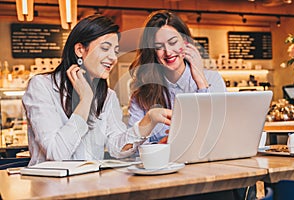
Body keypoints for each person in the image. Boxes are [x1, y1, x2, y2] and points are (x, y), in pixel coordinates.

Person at [22, 14, 171, 166]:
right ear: (80, 50)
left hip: (92, 185)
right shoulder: (41, 86)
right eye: (105, 48)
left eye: (115, 51)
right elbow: (57, 153)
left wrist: (149, 120)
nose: (113, 58)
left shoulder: (107, 96)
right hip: (50, 187)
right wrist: (85, 101)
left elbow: (117, 149)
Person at [128, 10, 226, 144]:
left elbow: (219, 130)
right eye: (159, 47)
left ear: (185, 42)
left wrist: (201, 83)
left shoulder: (212, 79)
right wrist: (161, 145)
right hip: (162, 163)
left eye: (173, 42)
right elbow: (132, 146)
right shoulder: (142, 92)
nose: (168, 52)